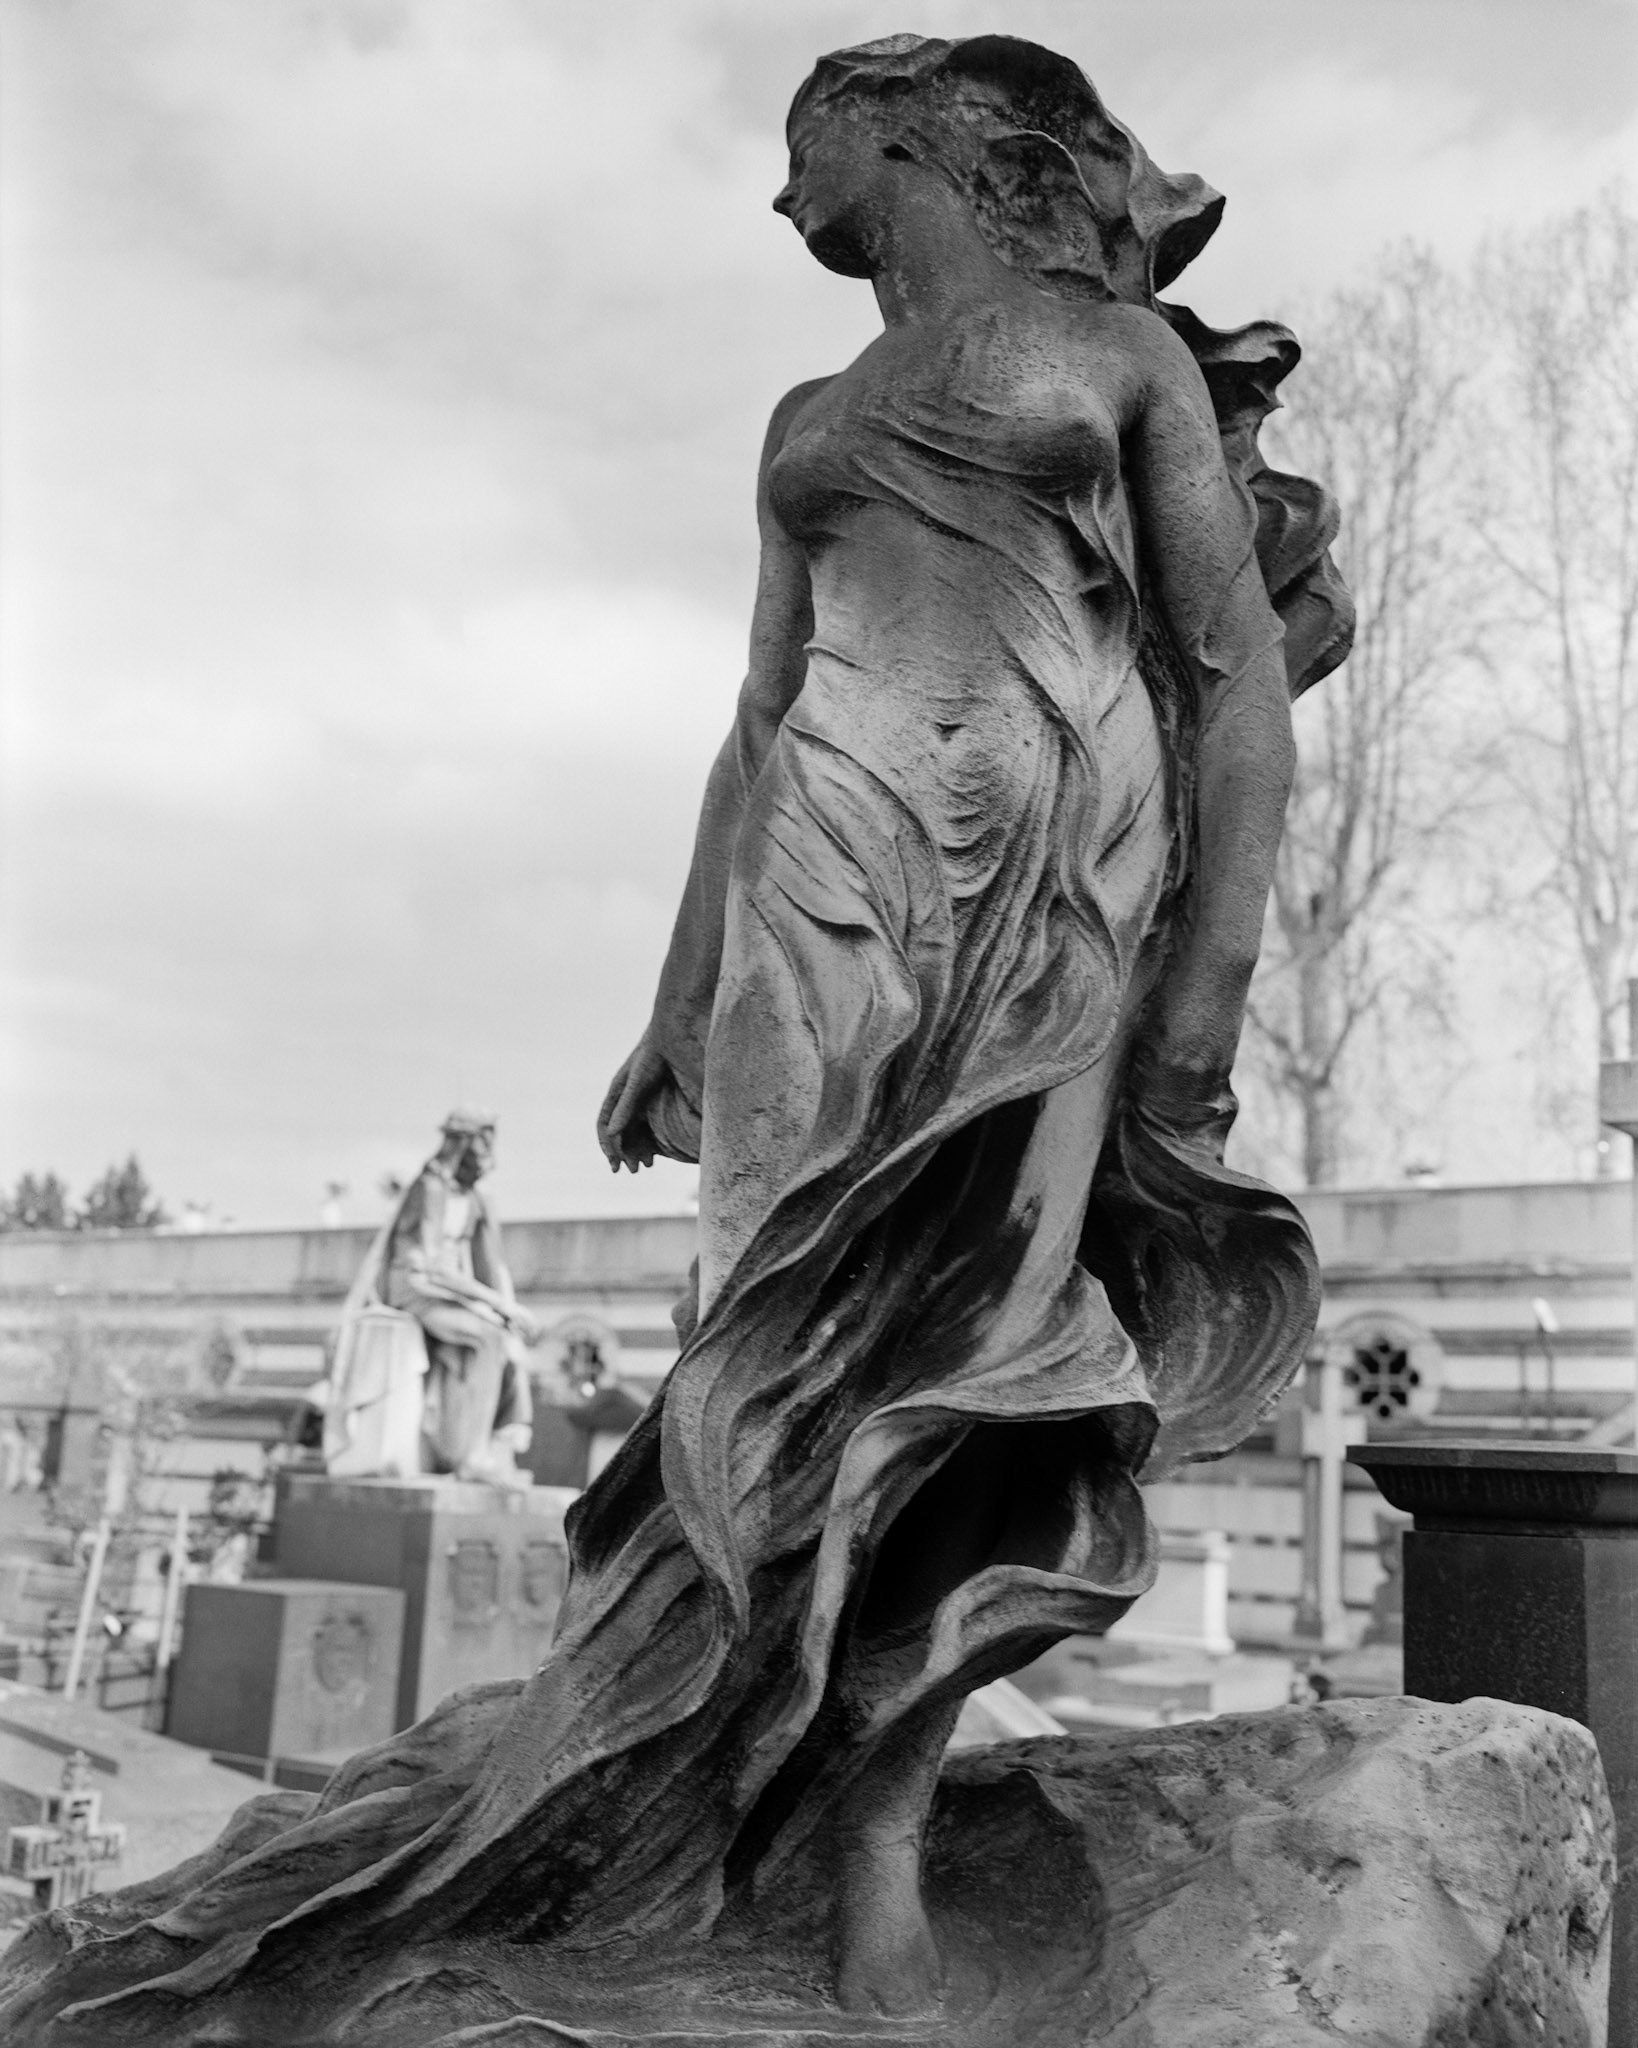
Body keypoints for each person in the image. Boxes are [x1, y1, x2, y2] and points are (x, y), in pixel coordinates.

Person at [0, 38, 1349, 2041]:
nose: (776, 194)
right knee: (770, 1363)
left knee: (974, 1367)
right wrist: (666, 994)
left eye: (796, 146)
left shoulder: (1115, 360)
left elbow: (1235, 685)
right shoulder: (807, 416)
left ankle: (876, 1829)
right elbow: (754, 716)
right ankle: (689, 1786)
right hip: (825, 920)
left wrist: (1212, 989)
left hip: (1056, 905)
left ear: (909, 137)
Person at [325, 1112, 538, 1483]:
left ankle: (486, 1446)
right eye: (479, 1158)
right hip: (414, 1288)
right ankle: (470, 1457)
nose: (485, 1168)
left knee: (506, 1342)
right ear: (461, 1151)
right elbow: (433, 1266)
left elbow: (488, 1263)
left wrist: (505, 1307)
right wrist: (498, 1305)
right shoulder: (430, 1189)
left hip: (448, 1290)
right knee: (488, 1338)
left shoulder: (473, 1200)